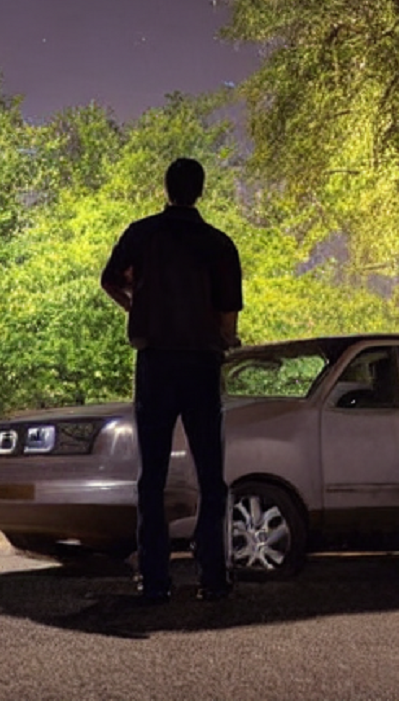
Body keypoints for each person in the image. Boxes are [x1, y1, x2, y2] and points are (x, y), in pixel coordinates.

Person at [100, 157, 242, 603]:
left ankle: (156, 577)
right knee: (210, 473)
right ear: (200, 190)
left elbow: (109, 281)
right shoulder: (218, 244)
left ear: (167, 188)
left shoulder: (142, 235)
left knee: (153, 475)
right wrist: (223, 337)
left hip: (156, 361)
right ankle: (212, 574)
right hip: (201, 363)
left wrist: (139, 308)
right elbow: (228, 314)